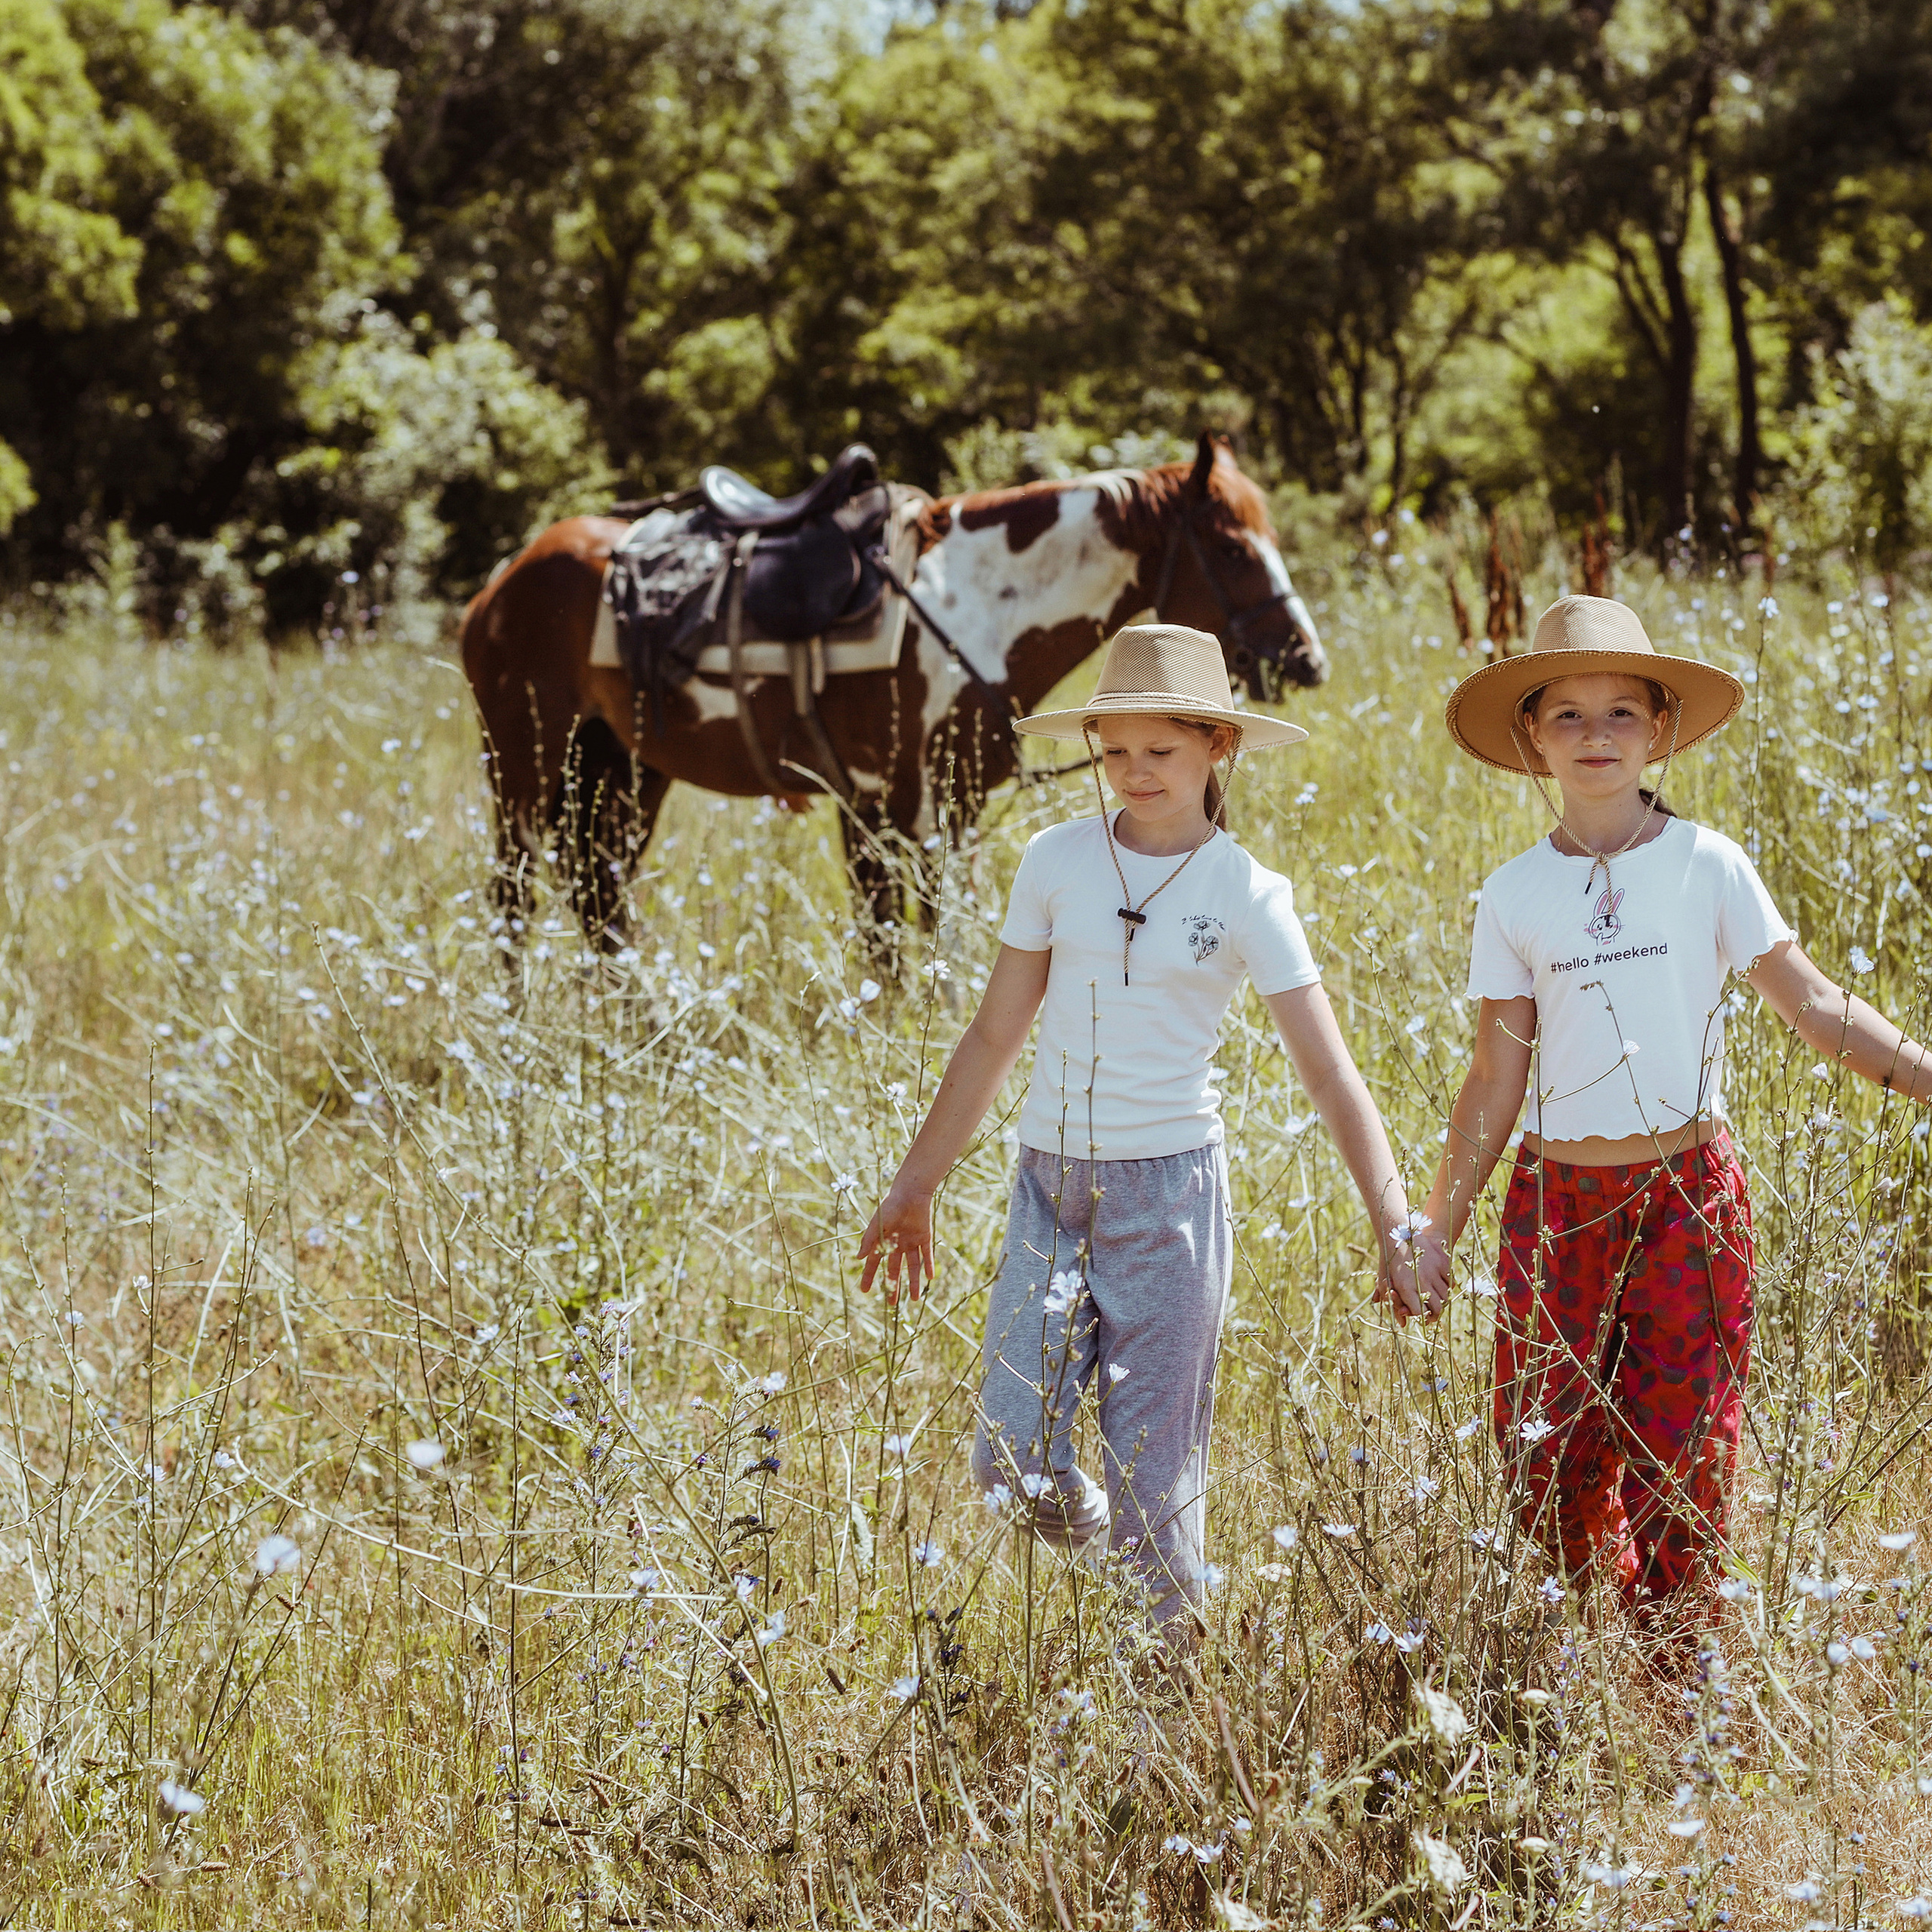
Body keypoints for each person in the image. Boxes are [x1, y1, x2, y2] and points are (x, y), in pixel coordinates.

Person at [857, 623, 1417, 1649]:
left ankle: (1158, 1717)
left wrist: (1394, 1220)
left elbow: (1331, 1073)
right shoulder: (1056, 860)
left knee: (1156, 1476)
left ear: (1218, 748)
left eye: (1160, 750)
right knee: (1008, 1457)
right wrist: (914, 1186)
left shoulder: (1247, 892)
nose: (1133, 772)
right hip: (1051, 1187)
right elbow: (993, 1033)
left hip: (1171, 1202)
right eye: (1114, 750)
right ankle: (1114, 1547)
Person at [1411, 595, 1932, 1647]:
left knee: (1683, 1446)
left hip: (1687, 1195)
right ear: (1531, 738)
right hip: (1556, 1206)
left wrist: (1925, 1075)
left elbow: (1816, 1007)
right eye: (1567, 714)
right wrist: (1434, 1229)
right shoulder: (1511, 896)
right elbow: (1492, 1081)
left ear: (1658, 728)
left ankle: (1675, 1680)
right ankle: (1565, 1665)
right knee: (1545, 1446)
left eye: (1619, 713)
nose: (1595, 735)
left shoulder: (1707, 864)